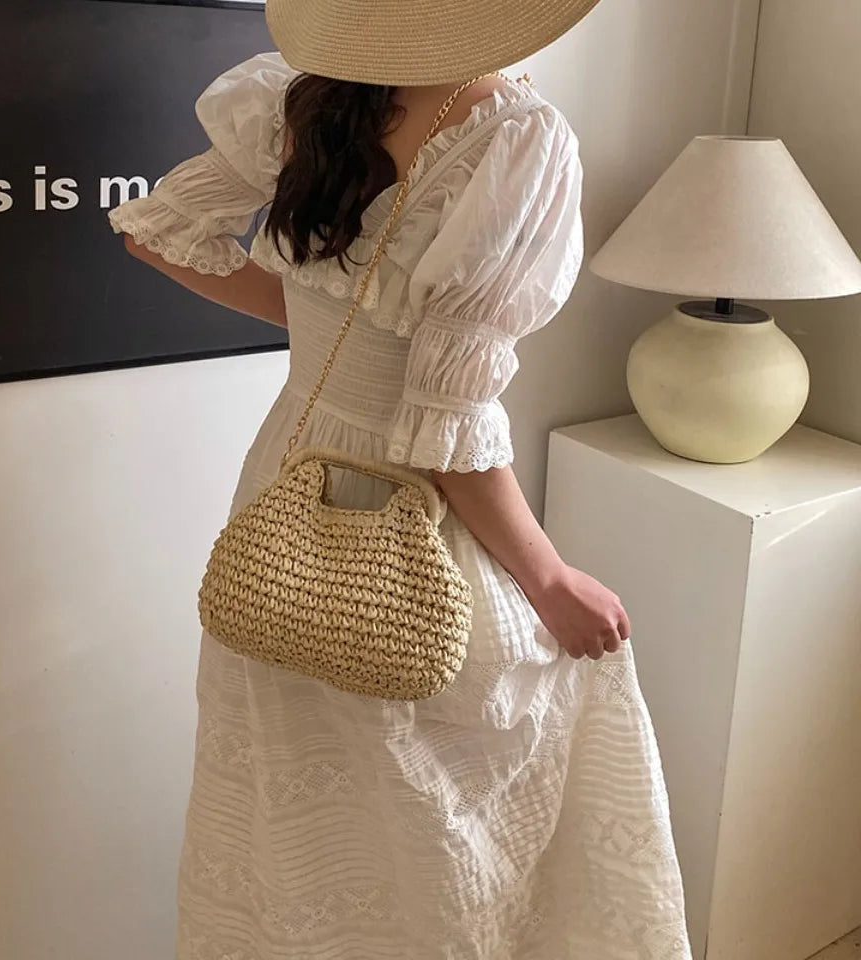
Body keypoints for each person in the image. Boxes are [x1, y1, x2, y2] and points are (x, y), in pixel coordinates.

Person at [109, 1, 691, 957]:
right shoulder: (518, 139)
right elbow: (444, 431)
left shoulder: (306, 101)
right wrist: (551, 582)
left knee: (294, 785)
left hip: (287, 481)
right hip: (418, 513)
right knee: (451, 807)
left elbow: (158, 236)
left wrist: (336, 342)